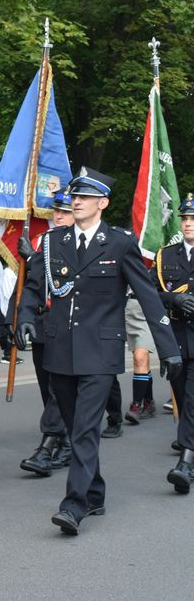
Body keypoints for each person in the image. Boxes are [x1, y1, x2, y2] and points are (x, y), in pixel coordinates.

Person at [17, 167, 181, 534]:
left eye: (85, 197)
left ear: (102, 204)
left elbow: (148, 298)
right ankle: (95, 493)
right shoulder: (52, 242)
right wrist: (26, 316)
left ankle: (73, 504)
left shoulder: (120, 243)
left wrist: (169, 349)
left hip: (100, 352)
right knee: (77, 430)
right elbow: (32, 286)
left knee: (86, 429)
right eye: (74, 196)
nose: (76, 202)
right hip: (59, 348)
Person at [17, 188, 73, 477]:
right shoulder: (45, 243)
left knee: (56, 388)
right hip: (42, 324)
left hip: (69, 327)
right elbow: (32, 286)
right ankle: (64, 441)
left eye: (66, 211)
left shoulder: (85, 245)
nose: (59, 216)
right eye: (57, 211)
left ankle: (48, 444)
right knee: (46, 386)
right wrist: (21, 318)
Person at [152, 193, 194, 493]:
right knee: (181, 395)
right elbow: (151, 291)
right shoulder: (165, 255)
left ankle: (186, 462)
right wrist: (174, 298)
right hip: (177, 338)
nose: (189, 224)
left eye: (193, 219)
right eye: (185, 218)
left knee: (192, 399)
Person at [122, 293, 157, 425]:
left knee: (140, 357)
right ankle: (149, 402)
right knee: (141, 360)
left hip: (147, 307)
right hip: (127, 307)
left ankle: (136, 405)